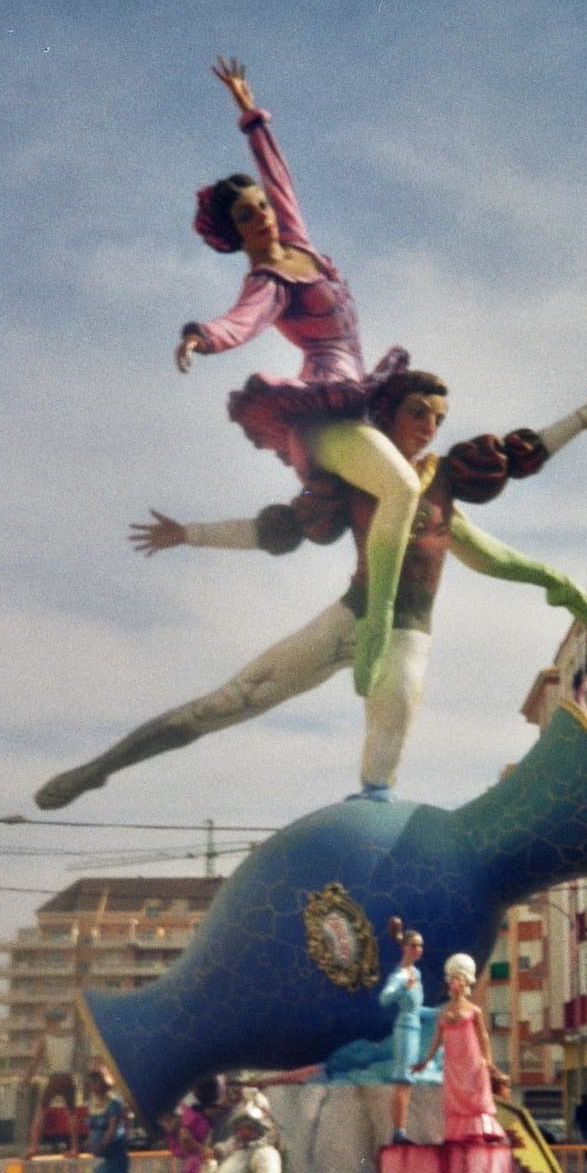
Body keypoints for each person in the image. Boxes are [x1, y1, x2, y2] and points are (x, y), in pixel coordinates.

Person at [34, 369, 587, 809]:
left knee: (390, 729)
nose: (429, 427)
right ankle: (103, 766)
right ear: (389, 416)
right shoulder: (355, 480)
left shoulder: (444, 482)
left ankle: (371, 809)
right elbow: (278, 531)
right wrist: (191, 533)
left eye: (438, 419)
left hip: (405, 632)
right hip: (353, 617)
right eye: (418, 412)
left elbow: (500, 518)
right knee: (226, 702)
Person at [175, 56, 422, 698]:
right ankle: (375, 624)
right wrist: (202, 335)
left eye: (260, 207)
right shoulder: (268, 281)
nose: (262, 215)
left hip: (360, 396)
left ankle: (381, 614)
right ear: (233, 235)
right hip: (327, 408)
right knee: (401, 488)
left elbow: (278, 178)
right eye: (246, 216)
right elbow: (241, 322)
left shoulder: (300, 244)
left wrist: (250, 116)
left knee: (414, 496)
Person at [411, 952, 508, 1141]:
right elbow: (437, 1039)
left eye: (459, 979)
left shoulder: (474, 1010)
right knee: (456, 1096)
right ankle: (460, 1133)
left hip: (471, 1059)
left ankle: (479, 1131)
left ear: (465, 983)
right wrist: (426, 1061)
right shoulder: (443, 1011)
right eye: (452, 979)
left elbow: (483, 1036)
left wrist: (488, 1061)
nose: (454, 982)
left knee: (472, 1093)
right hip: (453, 1062)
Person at [378, 917, 425, 1143]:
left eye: (420, 945)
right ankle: (398, 1131)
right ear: (405, 948)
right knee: (402, 1080)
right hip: (405, 1029)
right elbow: (384, 998)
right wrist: (401, 989)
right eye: (414, 945)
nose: (418, 949)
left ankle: (401, 1129)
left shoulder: (417, 974)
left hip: (414, 1028)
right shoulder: (400, 975)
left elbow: (417, 1008)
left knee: (408, 1082)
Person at [22, 1006, 82, 1159]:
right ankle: (75, 1148)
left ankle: (33, 1147)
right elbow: (77, 1062)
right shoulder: (72, 1038)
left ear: (50, 1020)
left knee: (40, 1112)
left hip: (54, 1078)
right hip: (68, 1078)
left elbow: (35, 1061)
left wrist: (26, 1078)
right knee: (72, 1114)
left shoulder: (45, 1038)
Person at [87, 1066, 129, 1173]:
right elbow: (91, 1127)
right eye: (91, 1082)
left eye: (96, 1082)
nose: (93, 1086)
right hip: (99, 1154)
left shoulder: (114, 1102)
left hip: (115, 1153)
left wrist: (104, 1143)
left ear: (103, 1083)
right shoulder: (93, 1103)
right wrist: (89, 1142)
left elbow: (113, 1127)